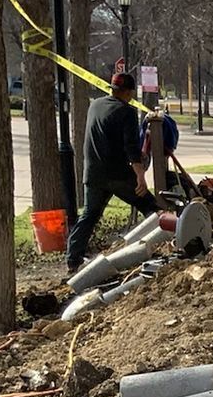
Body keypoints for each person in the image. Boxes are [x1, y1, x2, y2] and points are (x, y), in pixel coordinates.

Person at [65, 71, 161, 272]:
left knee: (89, 215)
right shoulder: (126, 112)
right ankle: (161, 244)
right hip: (117, 174)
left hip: (93, 173)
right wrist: (140, 176)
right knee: (150, 206)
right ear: (128, 92)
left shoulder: (95, 105)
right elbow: (131, 148)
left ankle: (73, 260)